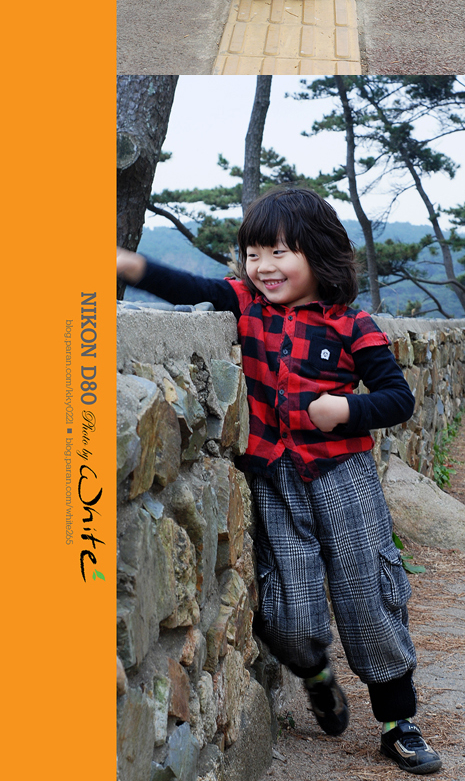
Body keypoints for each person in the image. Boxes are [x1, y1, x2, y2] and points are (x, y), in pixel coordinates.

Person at [117, 187, 443, 773]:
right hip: (276, 480)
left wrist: (345, 409)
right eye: (253, 253)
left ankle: (398, 723)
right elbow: (186, 287)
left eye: (279, 252)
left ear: (319, 253)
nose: (263, 266)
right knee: (290, 608)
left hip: (344, 480)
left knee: (368, 594)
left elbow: (398, 397)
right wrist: (129, 265)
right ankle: (315, 675)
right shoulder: (246, 304)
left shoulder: (352, 325)